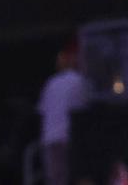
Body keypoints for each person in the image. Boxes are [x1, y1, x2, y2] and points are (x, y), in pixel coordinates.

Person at [38, 45, 92, 185]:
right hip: (66, 136)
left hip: (51, 137)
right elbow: (84, 107)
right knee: (69, 176)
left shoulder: (51, 83)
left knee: (56, 179)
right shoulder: (77, 80)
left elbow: (41, 111)